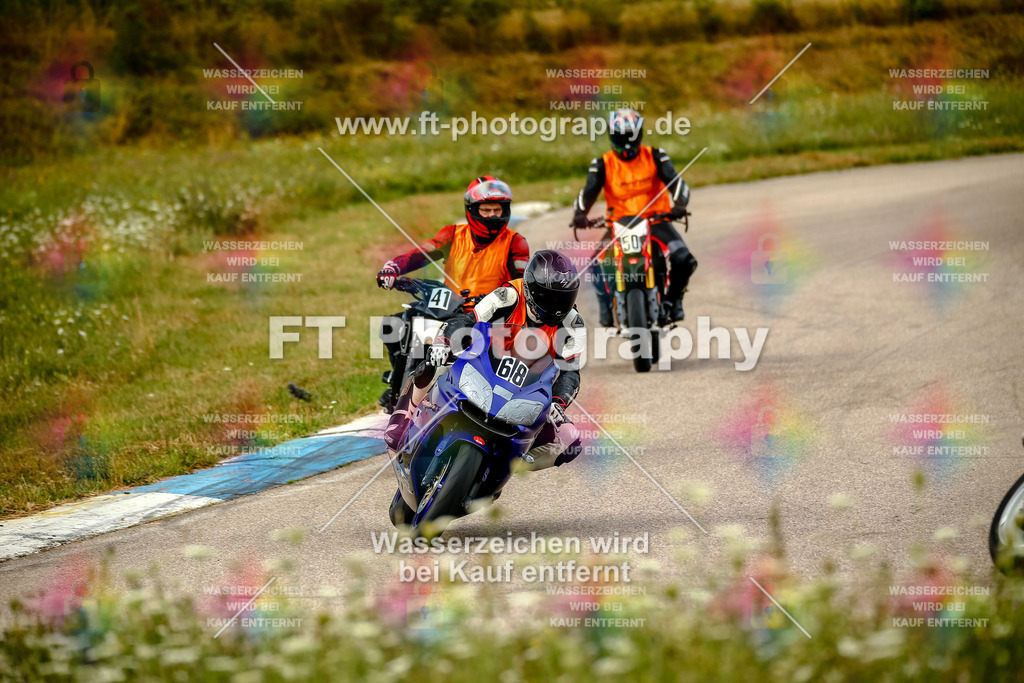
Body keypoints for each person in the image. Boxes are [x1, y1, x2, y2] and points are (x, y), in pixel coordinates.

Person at [385, 250, 585, 471]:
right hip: (482, 361)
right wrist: (444, 342)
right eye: (549, 296)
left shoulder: (573, 324)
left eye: (563, 298)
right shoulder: (508, 295)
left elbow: (570, 372)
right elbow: (469, 320)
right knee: (433, 361)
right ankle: (402, 419)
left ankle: (509, 466)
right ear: (531, 288)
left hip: (527, 387)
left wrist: (558, 403)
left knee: (572, 443)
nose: (555, 305)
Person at [376, 176, 529, 409]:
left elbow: (522, 283)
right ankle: (396, 385)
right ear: (472, 210)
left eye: (497, 210)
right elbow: (420, 255)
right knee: (394, 326)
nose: (492, 216)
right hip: (447, 307)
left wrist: (499, 299)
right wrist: (394, 267)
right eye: (486, 210)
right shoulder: (452, 234)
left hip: (489, 318)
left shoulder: (516, 242)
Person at [570, 108, 695, 325]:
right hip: (619, 224)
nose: (626, 142)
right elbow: (588, 192)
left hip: (656, 220)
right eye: (620, 136)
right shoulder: (602, 163)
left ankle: (673, 301)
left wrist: (680, 205)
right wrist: (580, 214)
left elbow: (677, 184)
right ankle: (606, 307)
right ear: (611, 135)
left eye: (631, 136)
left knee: (683, 258)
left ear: (639, 134)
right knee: (596, 265)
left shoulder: (656, 155)